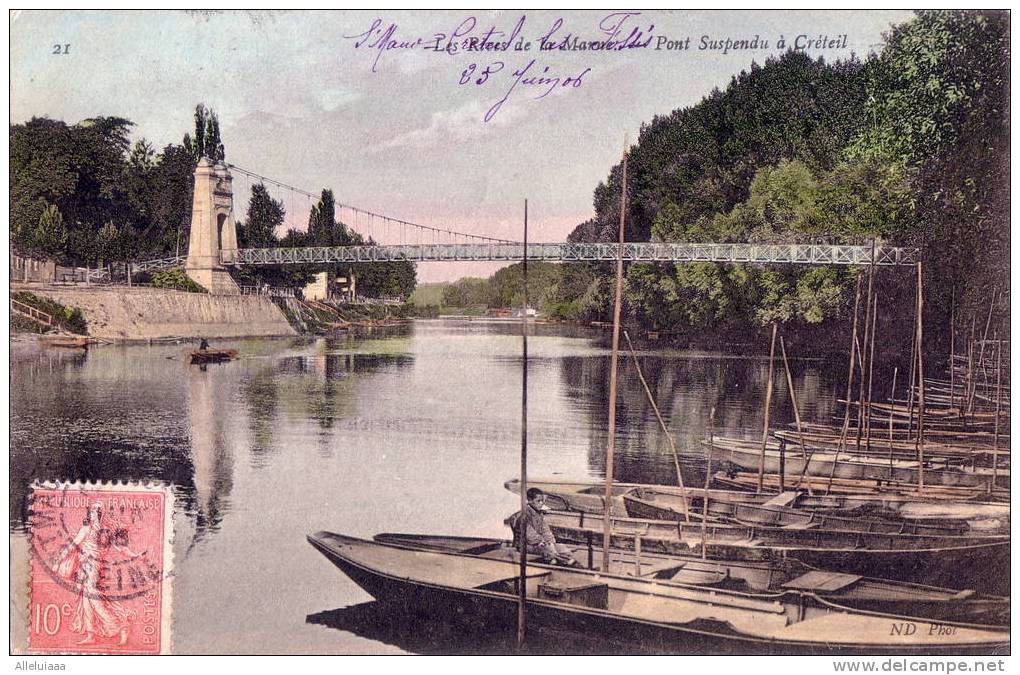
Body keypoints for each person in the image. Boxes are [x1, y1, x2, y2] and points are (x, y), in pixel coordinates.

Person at [51, 503, 136, 645]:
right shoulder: (86, 528)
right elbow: (73, 545)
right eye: (92, 511)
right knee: (86, 602)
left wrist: (135, 555)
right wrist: (58, 561)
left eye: (97, 512)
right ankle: (91, 635)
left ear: (101, 514)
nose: (93, 514)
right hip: (83, 567)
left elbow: (120, 548)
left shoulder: (105, 531)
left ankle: (121, 626)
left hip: (93, 567)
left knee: (94, 600)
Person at [504, 488, 581, 567]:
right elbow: (531, 536)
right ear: (530, 500)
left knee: (561, 548)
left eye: (542, 501)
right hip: (525, 545)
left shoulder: (539, 515)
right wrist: (544, 543)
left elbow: (546, 530)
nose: (541, 503)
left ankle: (558, 561)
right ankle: (566, 563)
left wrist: (551, 542)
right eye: (538, 501)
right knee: (548, 550)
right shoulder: (523, 516)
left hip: (541, 543)